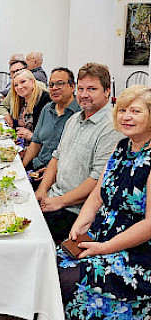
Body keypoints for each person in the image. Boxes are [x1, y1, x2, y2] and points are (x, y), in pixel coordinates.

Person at [58, 85, 151, 319]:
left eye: (136, 111)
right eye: (122, 110)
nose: (126, 116)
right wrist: (80, 224)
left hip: (135, 253)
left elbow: (149, 225)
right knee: (50, 262)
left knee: (68, 277)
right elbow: (98, 194)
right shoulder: (121, 148)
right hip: (100, 236)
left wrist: (105, 248)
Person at [35, 62, 123, 244]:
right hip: (53, 197)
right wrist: (42, 190)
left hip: (75, 211)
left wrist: (61, 201)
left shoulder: (112, 127)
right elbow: (56, 157)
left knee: (26, 240)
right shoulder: (74, 119)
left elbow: (98, 179)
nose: (83, 95)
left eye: (92, 89)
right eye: (81, 88)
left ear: (107, 91)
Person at [22, 67, 80, 189]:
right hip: (37, 167)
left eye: (60, 84)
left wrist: (51, 174)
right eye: (51, 84)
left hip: (59, 176)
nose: (54, 88)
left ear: (72, 87)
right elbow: (36, 142)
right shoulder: (47, 109)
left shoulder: (79, 114)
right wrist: (22, 167)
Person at [6, 69, 51, 145]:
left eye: (23, 82)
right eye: (16, 85)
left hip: (36, 149)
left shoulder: (45, 100)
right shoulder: (21, 99)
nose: (19, 87)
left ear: (33, 82)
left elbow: (49, 136)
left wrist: (32, 136)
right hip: (21, 145)